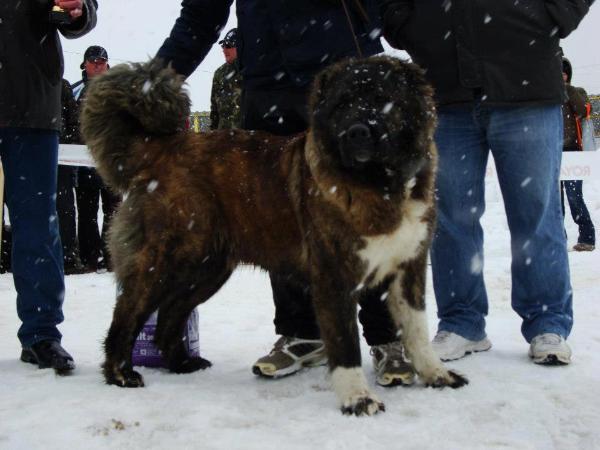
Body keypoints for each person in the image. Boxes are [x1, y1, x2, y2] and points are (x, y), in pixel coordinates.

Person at [156, 1, 415, 386]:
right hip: (267, 82)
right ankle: (303, 333)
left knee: (365, 211)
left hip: (344, 73)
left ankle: (387, 337)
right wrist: (158, 77)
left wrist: (377, 34)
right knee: (276, 212)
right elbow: (200, 14)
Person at [380, 0, 593, 365]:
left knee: (536, 214)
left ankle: (547, 322)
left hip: (526, 85)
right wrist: (409, 27)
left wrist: (551, 14)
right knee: (450, 218)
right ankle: (462, 322)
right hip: (445, 92)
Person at [0, 0, 97, 373]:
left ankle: (42, 334)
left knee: (38, 226)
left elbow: (82, 8)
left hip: (33, 106)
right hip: (32, 105)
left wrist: (78, 11)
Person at [72, 46, 122, 272]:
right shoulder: (75, 91)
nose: (98, 65)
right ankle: (90, 256)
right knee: (87, 210)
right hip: (84, 161)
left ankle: (112, 255)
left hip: (113, 162)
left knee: (114, 209)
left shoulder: (120, 91)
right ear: (85, 65)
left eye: (102, 61)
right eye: (94, 61)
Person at [560, 57, 596, 252]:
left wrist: (567, 88)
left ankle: (587, 237)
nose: (561, 76)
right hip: (552, 154)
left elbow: (583, 110)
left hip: (573, 152)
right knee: (554, 201)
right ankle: (557, 239)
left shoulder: (576, 91)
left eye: (564, 73)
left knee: (574, 196)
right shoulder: (548, 95)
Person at [58, 79, 87, 275]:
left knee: (65, 207)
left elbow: (74, 120)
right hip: (32, 150)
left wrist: (70, 142)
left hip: (63, 156)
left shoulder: (63, 86)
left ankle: (68, 256)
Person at [210, 28, 242, 130]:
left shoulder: (253, 72)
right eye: (223, 46)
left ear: (241, 47)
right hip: (223, 141)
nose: (224, 50)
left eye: (228, 46)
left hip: (248, 140)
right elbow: (214, 111)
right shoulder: (219, 74)